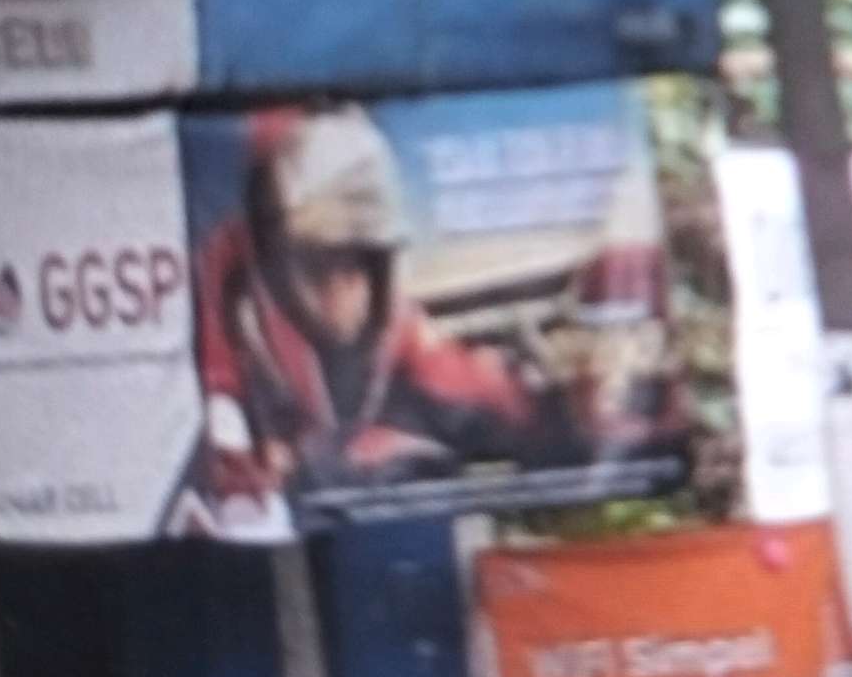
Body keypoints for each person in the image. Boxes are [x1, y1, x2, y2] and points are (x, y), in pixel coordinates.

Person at [196, 106, 580, 508]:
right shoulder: (223, 286)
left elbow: (464, 377)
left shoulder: (397, 324)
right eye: (327, 261)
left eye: (363, 260)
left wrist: (550, 410)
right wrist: (239, 445)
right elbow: (211, 387)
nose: (349, 284)